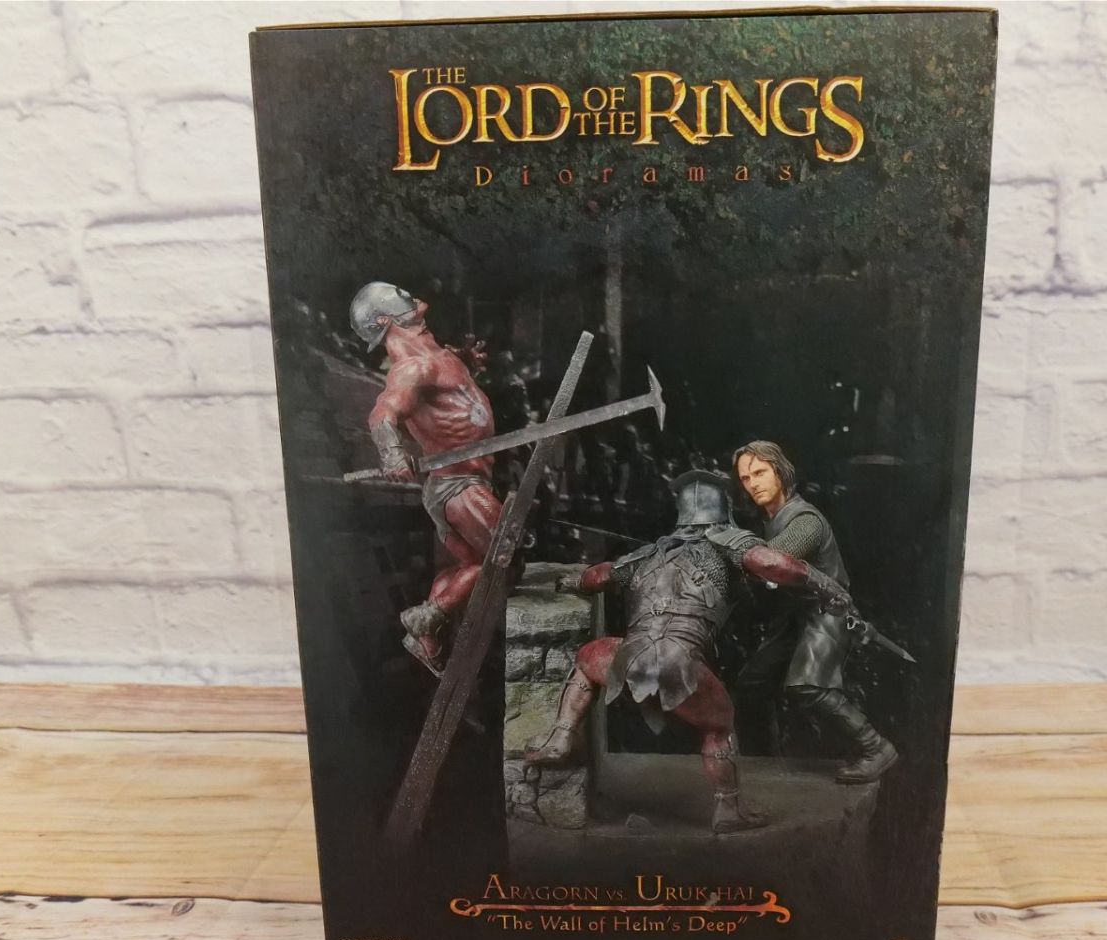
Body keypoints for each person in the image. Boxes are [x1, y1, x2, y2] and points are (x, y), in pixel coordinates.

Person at [524, 470, 857, 833]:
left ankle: (561, 735)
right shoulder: (732, 544)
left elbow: (600, 575)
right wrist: (826, 584)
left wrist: (573, 580)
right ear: (725, 507)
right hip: (680, 664)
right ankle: (728, 809)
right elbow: (773, 564)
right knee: (719, 725)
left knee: (588, 656)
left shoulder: (649, 553)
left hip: (626, 658)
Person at [354, 281, 501, 674]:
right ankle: (427, 618)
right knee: (506, 554)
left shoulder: (436, 355)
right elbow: (383, 413)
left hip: (469, 481)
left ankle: (428, 633)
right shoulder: (411, 368)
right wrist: (392, 454)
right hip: (459, 486)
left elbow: (451, 391)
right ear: (383, 319)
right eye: (397, 294)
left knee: (475, 565)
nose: (410, 296)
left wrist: (468, 361)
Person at [733, 440, 898, 784]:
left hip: (827, 612)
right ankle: (763, 759)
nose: (752, 484)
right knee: (751, 685)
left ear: (780, 472)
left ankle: (876, 748)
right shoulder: (771, 519)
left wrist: (730, 551)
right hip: (794, 617)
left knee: (806, 686)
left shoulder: (804, 519)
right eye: (746, 478)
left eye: (760, 473)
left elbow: (771, 560)